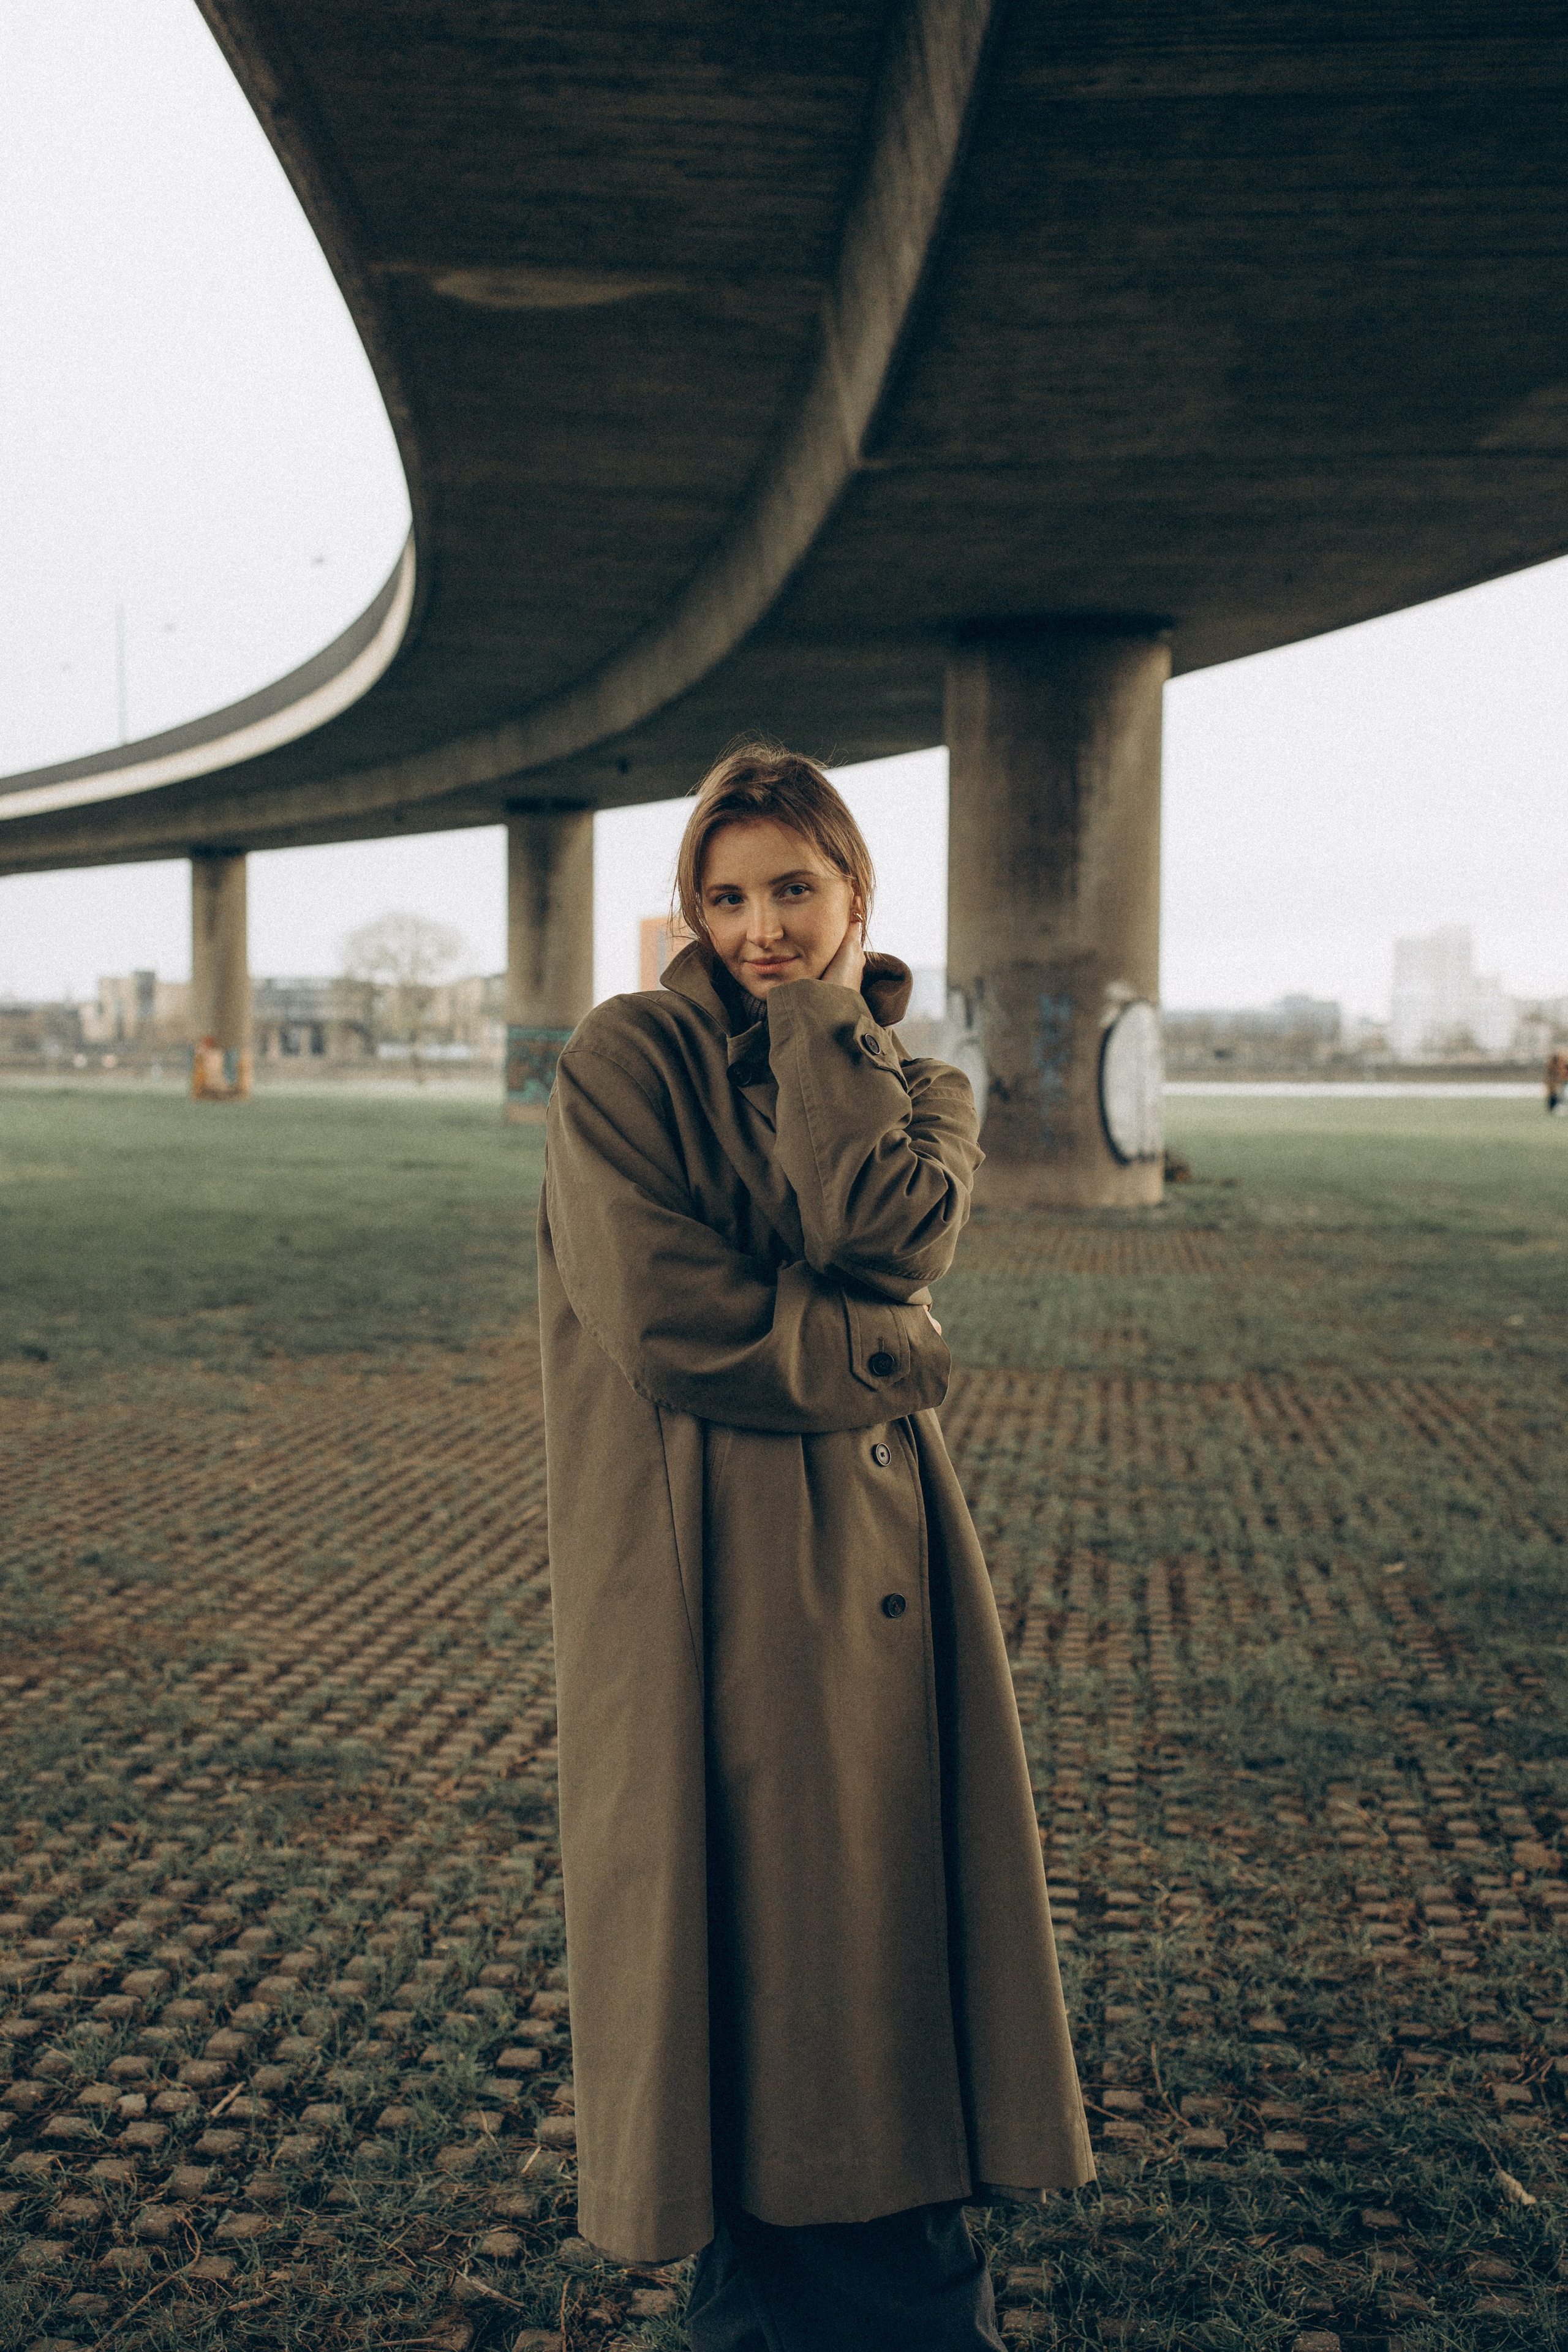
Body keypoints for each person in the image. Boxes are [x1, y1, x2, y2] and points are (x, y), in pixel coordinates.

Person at [538, 745, 1092, 2351]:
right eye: (724, 898)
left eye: (792, 888)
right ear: (690, 912)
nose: (759, 927)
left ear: (856, 894)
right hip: (706, 1575)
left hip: (887, 1564)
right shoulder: (627, 1059)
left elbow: (881, 1229)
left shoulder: (921, 1086)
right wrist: (889, 1350)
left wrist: (826, 1028)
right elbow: (667, 1318)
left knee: (871, 1948)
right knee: (770, 1966)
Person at [1546, 1047, 1568, 1114]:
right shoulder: (1555, 1063)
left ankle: (1557, 1106)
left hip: (1562, 1081)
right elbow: (1553, 1073)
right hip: (1558, 1081)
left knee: (1560, 1094)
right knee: (1556, 1094)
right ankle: (1554, 1107)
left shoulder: (1562, 1063)